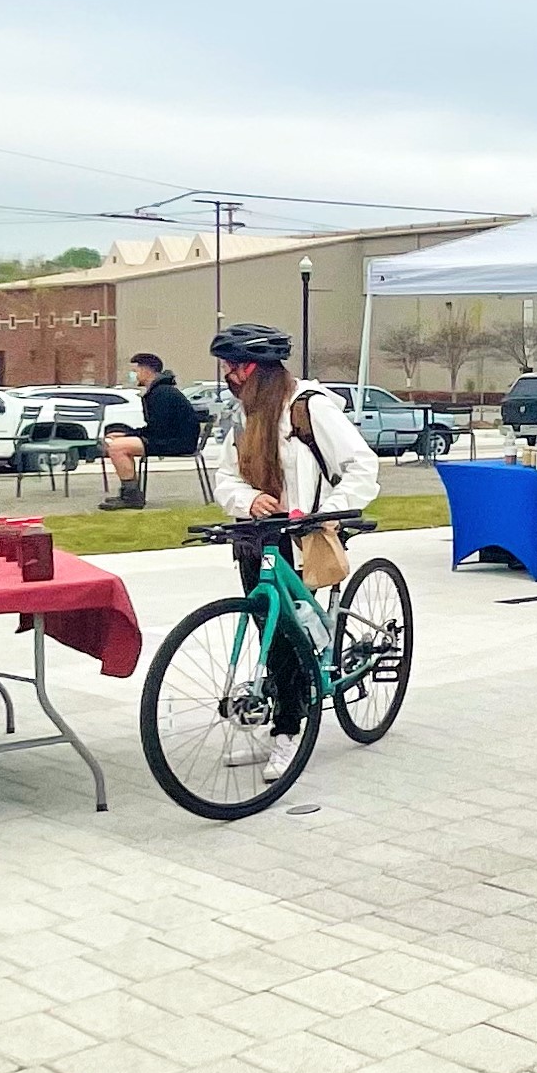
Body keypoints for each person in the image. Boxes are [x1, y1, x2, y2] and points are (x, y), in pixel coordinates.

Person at [210, 324, 379, 782]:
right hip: (257, 535)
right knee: (269, 630)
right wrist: (248, 500)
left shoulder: (309, 407)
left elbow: (362, 466)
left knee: (290, 636)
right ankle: (284, 708)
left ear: (256, 370)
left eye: (233, 368)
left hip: (305, 535)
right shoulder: (243, 416)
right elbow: (225, 477)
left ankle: (288, 728)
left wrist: (328, 513)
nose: (228, 376)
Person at [98, 352, 202, 511]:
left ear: (147, 371)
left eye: (136, 371)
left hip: (177, 443)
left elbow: (158, 428)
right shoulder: (161, 391)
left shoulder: (161, 394)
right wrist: (127, 433)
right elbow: (156, 427)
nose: (134, 375)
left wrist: (129, 434)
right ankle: (130, 493)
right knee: (119, 444)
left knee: (117, 448)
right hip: (172, 439)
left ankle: (131, 496)